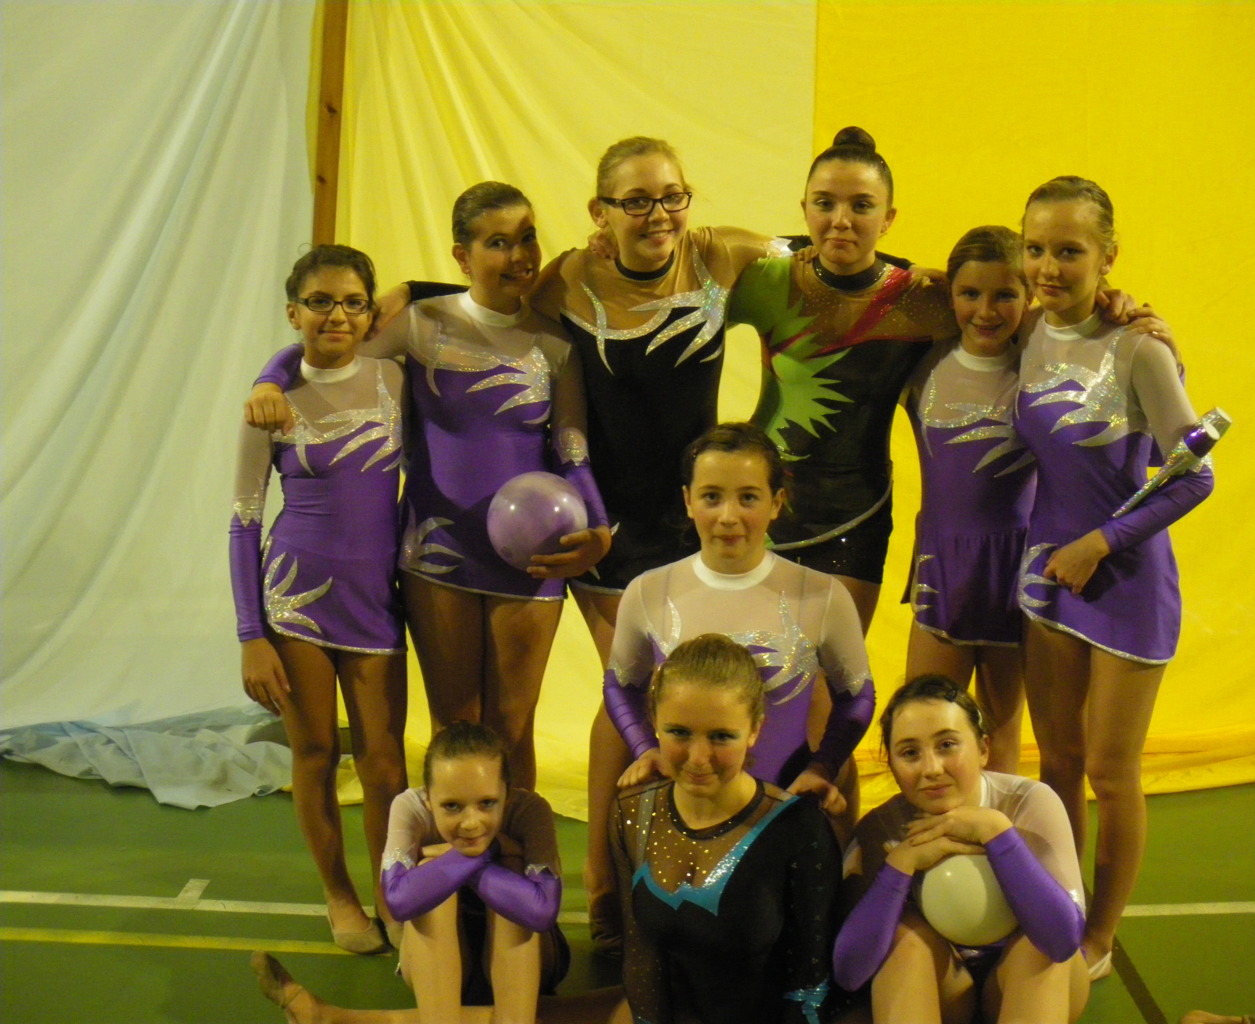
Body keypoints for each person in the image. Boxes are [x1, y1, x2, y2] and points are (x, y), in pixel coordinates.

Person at [243, 183, 612, 790]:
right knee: (455, 726)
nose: (520, 255)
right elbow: (329, 349)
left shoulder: (555, 343)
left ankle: (514, 850)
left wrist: (596, 527)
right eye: (498, 243)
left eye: (527, 238)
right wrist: (268, 377)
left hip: (531, 557)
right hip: (438, 553)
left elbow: (573, 449)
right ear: (463, 257)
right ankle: (451, 851)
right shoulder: (420, 325)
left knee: (513, 726)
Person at [1013, 176, 1213, 977]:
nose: (1047, 267)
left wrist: (1099, 542)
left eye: (1068, 251)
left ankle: (1098, 937)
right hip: (1047, 581)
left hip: (1124, 583)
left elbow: (1194, 477)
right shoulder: (1024, 328)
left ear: (1107, 256)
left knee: (1109, 771)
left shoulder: (1139, 348)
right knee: (1056, 761)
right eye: (1034, 248)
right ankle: (1061, 910)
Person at [232, 244, 408, 953]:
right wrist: (251, 633)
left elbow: (447, 293)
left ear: (370, 312)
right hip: (295, 601)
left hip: (376, 599)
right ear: (292, 312)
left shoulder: (395, 378)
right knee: (314, 753)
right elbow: (244, 522)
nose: (337, 314)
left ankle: (392, 896)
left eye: (353, 302)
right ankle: (340, 896)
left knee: (385, 762)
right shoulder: (268, 406)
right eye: (320, 302)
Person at [729, 127, 958, 632]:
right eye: (825, 203)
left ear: (889, 218)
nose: (841, 221)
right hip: (760, 508)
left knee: (837, 675)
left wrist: (1108, 306)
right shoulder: (770, 276)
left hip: (857, 515)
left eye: (862, 206)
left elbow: (1020, 315)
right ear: (805, 208)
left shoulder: (921, 298)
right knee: (751, 670)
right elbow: (686, 264)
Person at [607, 423, 873, 840]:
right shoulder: (649, 591)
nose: (728, 517)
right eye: (712, 496)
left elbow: (857, 696)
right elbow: (620, 686)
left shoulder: (821, 595)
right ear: (688, 501)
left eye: (748, 497)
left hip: (783, 818)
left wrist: (824, 766)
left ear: (776, 502)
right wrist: (646, 749)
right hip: (682, 817)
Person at [252, 721, 569, 1024]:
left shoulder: (529, 810)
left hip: (531, 965)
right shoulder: (409, 807)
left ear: (508, 795)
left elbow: (540, 912)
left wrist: (468, 858)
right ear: (428, 798)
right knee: (429, 887)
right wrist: (488, 852)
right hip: (437, 967)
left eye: (487, 803)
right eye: (452, 806)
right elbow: (400, 901)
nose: (471, 823)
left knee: (507, 878)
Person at [612, 634, 844, 1024]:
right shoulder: (633, 812)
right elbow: (641, 960)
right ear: (653, 722)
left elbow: (811, 986)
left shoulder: (797, 828)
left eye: (721, 736)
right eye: (679, 732)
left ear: (754, 729)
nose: (699, 758)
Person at [833, 675, 1089, 1023]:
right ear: (891, 765)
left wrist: (998, 834)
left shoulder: (1029, 803)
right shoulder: (879, 828)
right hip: (945, 994)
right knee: (902, 938)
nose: (931, 769)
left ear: (983, 749)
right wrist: (900, 865)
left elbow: (1062, 940)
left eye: (947, 745)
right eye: (910, 753)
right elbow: (849, 972)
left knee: (1038, 948)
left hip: (1027, 981)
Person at [900, 226, 1036, 773]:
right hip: (942, 567)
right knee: (924, 724)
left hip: (1015, 571)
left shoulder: (1040, 367)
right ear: (949, 295)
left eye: (1005, 295)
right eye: (969, 293)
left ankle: (998, 828)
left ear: (1029, 298)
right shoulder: (921, 362)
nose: (985, 310)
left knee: (1001, 738)